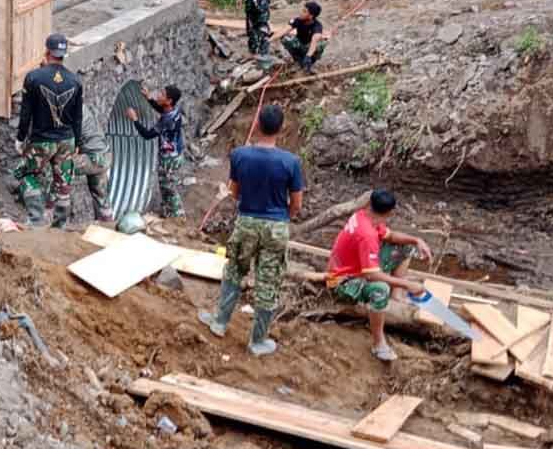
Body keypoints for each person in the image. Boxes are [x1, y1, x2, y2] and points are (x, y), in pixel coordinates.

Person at [198, 105, 304, 356]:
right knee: (268, 282)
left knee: (234, 270)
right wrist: (282, 218)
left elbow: (234, 193)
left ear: (256, 124)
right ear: (281, 128)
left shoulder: (239, 155)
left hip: (246, 220)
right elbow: (297, 204)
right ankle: (257, 341)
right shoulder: (291, 162)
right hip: (276, 226)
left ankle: (219, 323)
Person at [326, 189, 433, 362]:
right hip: (342, 282)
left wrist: (416, 240)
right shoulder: (367, 234)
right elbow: (372, 276)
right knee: (380, 289)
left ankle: (396, 297)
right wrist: (407, 285)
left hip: (353, 268)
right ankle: (378, 344)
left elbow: (391, 236)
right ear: (390, 212)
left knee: (406, 248)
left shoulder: (366, 215)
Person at [17, 33, 83, 228]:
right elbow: (78, 117)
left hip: (41, 140)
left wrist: (20, 138)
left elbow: (26, 112)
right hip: (67, 140)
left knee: (29, 175)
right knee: (63, 183)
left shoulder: (34, 78)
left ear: (47, 51)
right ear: (64, 54)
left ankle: (36, 220)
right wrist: (77, 142)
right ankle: (60, 225)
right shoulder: (75, 81)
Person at [125, 85, 185, 218]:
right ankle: (169, 213)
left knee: (169, 189)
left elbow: (147, 134)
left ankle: (178, 217)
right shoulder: (174, 111)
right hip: (176, 155)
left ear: (169, 101)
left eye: (162, 94)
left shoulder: (167, 120)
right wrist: (149, 98)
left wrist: (134, 119)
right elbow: (161, 109)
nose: (158, 95)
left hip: (169, 160)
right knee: (166, 187)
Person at [73, 106, 113, 222]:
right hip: (104, 156)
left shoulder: (70, 109)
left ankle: (49, 218)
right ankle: (106, 222)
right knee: (101, 195)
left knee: (59, 167)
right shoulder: (83, 107)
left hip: (93, 158)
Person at [274, 0, 328, 72]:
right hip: (299, 44)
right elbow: (283, 31)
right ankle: (298, 60)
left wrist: (308, 56)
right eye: (302, 10)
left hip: (309, 47)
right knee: (285, 38)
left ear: (311, 16)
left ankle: (310, 62)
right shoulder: (297, 20)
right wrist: (268, 40)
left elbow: (314, 42)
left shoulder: (317, 26)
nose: (301, 13)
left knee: (322, 44)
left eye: (304, 11)